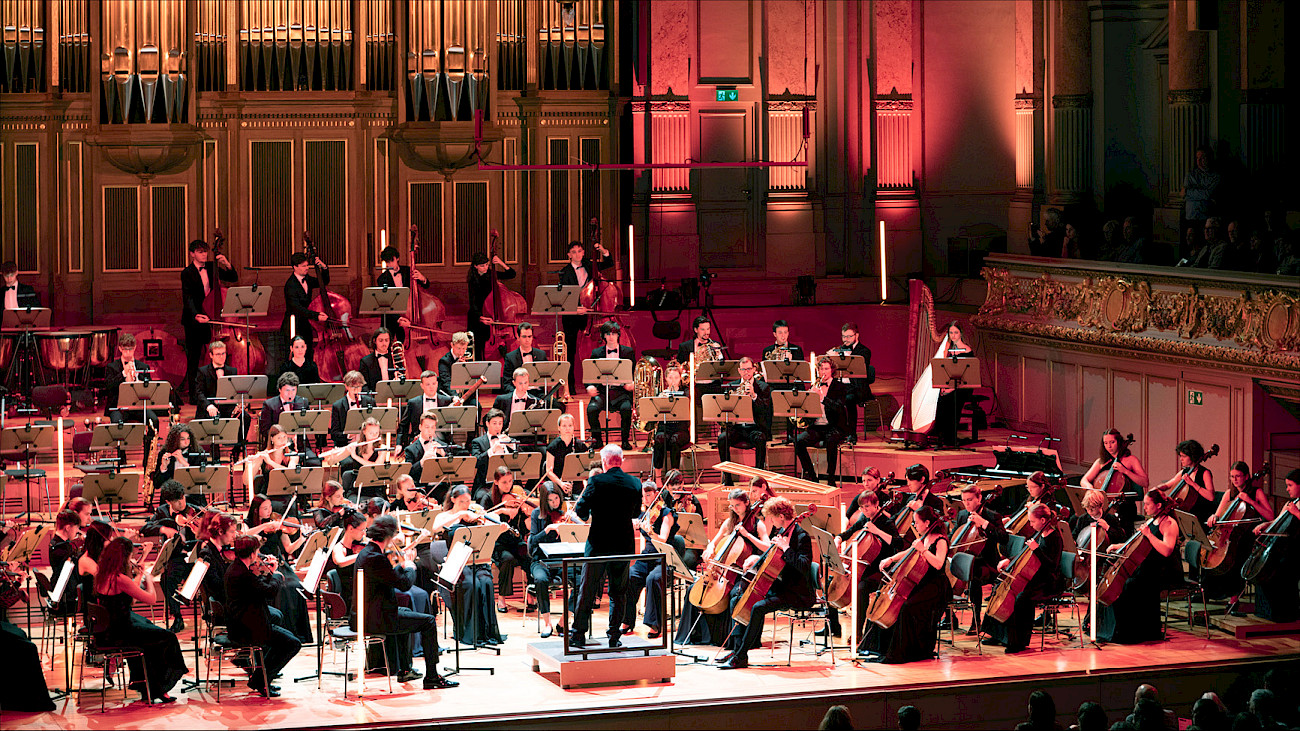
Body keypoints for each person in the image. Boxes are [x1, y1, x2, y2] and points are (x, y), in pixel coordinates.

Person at [354, 514, 456, 689]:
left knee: (407, 612)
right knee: (429, 622)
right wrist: (409, 566)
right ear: (389, 536)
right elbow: (403, 585)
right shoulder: (376, 557)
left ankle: (405, 669)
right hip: (375, 619)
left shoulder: (368, 552)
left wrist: (399, 567)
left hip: (370, 613)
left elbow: (388, 577)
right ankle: (432, 676)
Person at [718, 496, 815, 669]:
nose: (770, 521)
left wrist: (786, 548)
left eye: (771, 517)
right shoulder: (783, 533)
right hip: (781, 586)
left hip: (797, 593)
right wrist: (757, 558)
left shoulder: (801, 536)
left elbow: (804, 566)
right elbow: (773, 559)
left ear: (781, 516)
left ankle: (741, 656)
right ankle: (737, 649)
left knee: (757, 607)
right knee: (737, 599)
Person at [90, 536, 188, 703]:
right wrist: (148, 578)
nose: (131, 559)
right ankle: (159, 687)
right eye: (130, 556)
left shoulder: (103, 573)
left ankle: (148, 686)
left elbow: (130, 598)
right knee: (167, 637)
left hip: (111, 626)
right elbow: (151, 599)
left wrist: (137, 575)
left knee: (149, 627)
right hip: (121, 630)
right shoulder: (120, 579)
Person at [569, 443, 643, 648]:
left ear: (604, 461)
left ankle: (578, 635)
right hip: (623, 544)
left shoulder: (595, 481)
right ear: (621, 460)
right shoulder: (635, 483)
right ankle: (613, 637)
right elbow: (636, 513)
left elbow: (582, 514)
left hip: (598, 544)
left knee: (587, 590)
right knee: (618, 593)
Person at [862, 506, 949, 664]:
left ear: (927, 522)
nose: (914, 525)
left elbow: (938, 564)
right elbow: (908, 552)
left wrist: (923, 550)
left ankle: (907, 651)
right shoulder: (923, 537)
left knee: (906, 607)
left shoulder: (940, 540)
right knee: (886, 602)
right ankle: (879, 647)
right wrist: (891, 559)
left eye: (916, 522)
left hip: (935, 586)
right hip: (921, 582)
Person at [224, 535, 302, 697]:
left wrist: (267, 574)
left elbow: (259, 588)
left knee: (288, 640)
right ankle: (261, 680)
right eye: (257, 551)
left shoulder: (238, 568)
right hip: (248, 628)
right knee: (292, 644)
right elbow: (269, 592)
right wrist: (276, 575)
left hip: (248, 622)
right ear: (252, 554)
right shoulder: (242, 574)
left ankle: (261, 679)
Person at [981, 504, 1064, 654]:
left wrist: (1037, 550)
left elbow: (1053, 566)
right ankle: (997, 635)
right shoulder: (1038, 534)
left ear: (1043, 520)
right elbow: (1026, 554)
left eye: (1032, 521)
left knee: (1021, 599)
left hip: (1049, 582)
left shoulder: (1055, 538)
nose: (1030, 525)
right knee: (999, 586)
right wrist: (1009, 561)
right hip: (1034, 577)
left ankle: (1018, 642)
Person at [430, 485, 507, 646]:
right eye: (462, 501)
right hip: (457, 563)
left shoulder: (475, 512)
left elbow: (486, 535)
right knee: (472, 585)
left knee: (485, 582)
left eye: (468, 501)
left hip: (476, 561)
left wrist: (498, 529)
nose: (466, 504)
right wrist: (459, 514)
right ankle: (468, 632)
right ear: (453, 500)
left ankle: (486, 632)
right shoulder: (445, 516)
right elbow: (435, 528)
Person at [1103, 490, 1181, 644]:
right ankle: (1116, 630)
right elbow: (1138, 544)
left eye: (1147, 504)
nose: (1144, 507)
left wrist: (1149, 534)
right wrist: (1118, 546)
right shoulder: (1153, 521)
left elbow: (1167, 550)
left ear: (1158, 505)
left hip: (1164, 571)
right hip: (1149, 567)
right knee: (1122, 582)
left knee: (1129, 585)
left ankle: (1134, 633)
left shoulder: (1169, 523)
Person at [837, 490, 902, 652]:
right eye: (862, 508)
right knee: (841, 583)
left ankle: (859, 633)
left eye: (867, 507)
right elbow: (850, 532)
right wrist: (839, 537)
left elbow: (898, 543)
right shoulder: (864, 518)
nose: (864, 510)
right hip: (866, 565)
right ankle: (835, 626)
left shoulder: (886, 522)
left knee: (861, 590)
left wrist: (876, 531)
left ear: (876, 505)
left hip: (881, 568)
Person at [243, 495, 311, 642]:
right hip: (260, 567)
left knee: (295, 586)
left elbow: (289, 548)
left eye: (270, 508)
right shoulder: (247, 524)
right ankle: (279, 631)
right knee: (282, 589)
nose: (269, 511)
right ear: (256, 510)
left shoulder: (276, 526)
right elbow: (245, 536)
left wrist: (302, 538)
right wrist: (264, 526)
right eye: (265, 508)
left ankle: (296, 633)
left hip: (279, 565)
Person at [1204, 461, 1272, 604]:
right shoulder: (1230, 493)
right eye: (1232, 476)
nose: (1234, 480)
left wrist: (1251, 502)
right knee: (1212, 551)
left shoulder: (1256, 492)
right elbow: (1218, 514)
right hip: (1230, 534)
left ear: (1246, 476)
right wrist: (1213, 517)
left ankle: (1235, 596)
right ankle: (1212, 592)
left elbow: (1270, 516)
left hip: (1249, 534)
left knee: (1239, 552)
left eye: (1238, 476)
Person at [180, 238, 238, 405]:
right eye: (200, 252)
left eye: (205, 251)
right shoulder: (187, 273)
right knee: (195, 358)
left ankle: (223, 392)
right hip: (195, 321)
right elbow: (188, 297)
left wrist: (226, 263)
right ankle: (194, 395)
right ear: (192, 254)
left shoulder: (212, 267)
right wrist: (196, 314)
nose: (204, 254)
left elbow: (233, 277)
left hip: (213, 317)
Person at [625, 484, 682, 638]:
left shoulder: (666, 514)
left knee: (653, 579)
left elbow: (663, 540)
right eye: (643, 496)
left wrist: (650, 531)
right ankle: (627, 620)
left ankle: (654, 624)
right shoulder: (646, 513)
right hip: (648, 556)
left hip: (664, 558)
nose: (645, 499)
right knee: (630, 576)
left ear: (657, 494)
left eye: (648, 496)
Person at [529, 481, 583, 638]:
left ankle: (563, 621)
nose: (554, 504)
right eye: (551, 500)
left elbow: (583, 531)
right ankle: (547, 623)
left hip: (562, 559)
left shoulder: (565, 514)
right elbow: (532, 543)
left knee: (581, 581)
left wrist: (575, 521)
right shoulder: (537, 515)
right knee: (540, 579)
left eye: (557, 499)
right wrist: (546, 530)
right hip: (541, 560)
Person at [954, 483, 1008, 634]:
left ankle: (976, 620)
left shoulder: (992, 516)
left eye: (970, 499)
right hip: (966, 559)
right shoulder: (962, 515)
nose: (966, 503)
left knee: (974, 577)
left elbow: (1004, 538)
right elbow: (954, 538)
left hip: (988, 563)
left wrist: (984, 524)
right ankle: (950, 617)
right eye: (964, 500)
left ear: (979, 498)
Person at [557, 239, 614, 383]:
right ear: (569, 255)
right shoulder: (564, 272)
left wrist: (602, 250)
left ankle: (600, 379)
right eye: (574, 252)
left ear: (583, 253)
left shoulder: (589, 264)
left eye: (580, 251)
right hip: (572, 315)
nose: (577, 254)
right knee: (570, 349)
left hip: (590, 313)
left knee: (597, 344)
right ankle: (570, 385)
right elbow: (563, 296)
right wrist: (574, 308)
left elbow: (608, 264)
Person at [1249, 469, 1300, 623]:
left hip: (1297, 550)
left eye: (1290, 485)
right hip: (1286, 549)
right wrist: (1266, 524)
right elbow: (1277, 521)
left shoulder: (1295, 506)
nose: (1287, 489)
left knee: (1277, 571)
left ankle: (1285, 613)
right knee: (1265, 569)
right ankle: (1266, 612)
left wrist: (1297, 513)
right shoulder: (1291, 503)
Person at [716, 357, 774, 486]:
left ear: (754, 369)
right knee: (722, 438)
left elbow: (766, 410)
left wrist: (754, 396)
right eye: (743, 369)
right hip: (737, 429)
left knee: (760, 438)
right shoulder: (732, 386)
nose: (746, 372)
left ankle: (758, 479)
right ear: (739, 371)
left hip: (755, 428)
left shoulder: (763, 387)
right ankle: (728, 478)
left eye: (749, 369)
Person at [481, 468, 531, 613]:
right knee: (507, 559)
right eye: (504, 482)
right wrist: (502, 510)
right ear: (496, 482)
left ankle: (531, 595)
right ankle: (502, 599)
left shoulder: (516, 496)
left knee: (529, 555)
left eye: (510, 481)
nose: (508, 485)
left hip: (515, 539)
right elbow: (483, 517)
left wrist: (526, 511)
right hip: (497, 543)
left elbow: (524, 523)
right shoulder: (488, 498)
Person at [794, 356, 848, 484]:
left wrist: (822, 398)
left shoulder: (840, 387)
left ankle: (831, 478)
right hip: (817, 426)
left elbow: (839, 408)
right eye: (821, 369)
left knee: (831, 440)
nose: (823, 372)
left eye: (826, 369)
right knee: (798, 441)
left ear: (832, 370)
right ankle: (812, 476)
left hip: (834, 426)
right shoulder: (815, 386)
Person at [585, 321, 636, 450]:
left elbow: (635, 373)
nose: (611, 336)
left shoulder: (628, 352)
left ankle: (625, 440)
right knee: (591, 409)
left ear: (618, 334)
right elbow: (589, 374)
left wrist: (632, 384)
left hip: (621, 393)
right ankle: (597, 440)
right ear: (604, 336)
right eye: (608, 334)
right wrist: (589, 386)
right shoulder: (596, 353)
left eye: (614, 333)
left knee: (626, 409)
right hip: (602, 392)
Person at [193, 339, 249, 456]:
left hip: (227, 408)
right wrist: (209, 406)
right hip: (209, 408)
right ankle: (215, 457)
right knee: (213, 419)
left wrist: (239, 403)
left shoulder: (232, 371)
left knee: (246, 417)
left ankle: (236, 450)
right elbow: (199, 393)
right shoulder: (202, 371)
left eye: (223, 353)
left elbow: (236, 391)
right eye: (218, 354)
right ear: (211, 355)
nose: (221, 357)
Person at [1081, 429, 1149, 524]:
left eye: (1112, 442)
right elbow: (1084, 480)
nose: (1109, 446)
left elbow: (1145, 482)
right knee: (1078, 520)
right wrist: (1092, 489)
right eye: (1106, 443)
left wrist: (1125, 471)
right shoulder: (1101, 462)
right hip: (1102, 506)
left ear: (1119, 442)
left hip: (1124, 507)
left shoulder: (1131, 460)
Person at [930, 321, 975, 446]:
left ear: (961, 333)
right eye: (951, 333)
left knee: (951, 398)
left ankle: (950, 437)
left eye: (956, 332)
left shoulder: (967, 350)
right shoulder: (948, 350)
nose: (953, 335)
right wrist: (945, 387)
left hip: (963, 386)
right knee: (940, 397)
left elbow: (965, 376)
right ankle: (940, 435)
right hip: (951, 385)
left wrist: (950, 389)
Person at [376, 244, 431, 345]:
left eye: (391, 261)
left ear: (397, 258)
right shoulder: (382, 279)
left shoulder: (408, 271)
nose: (389, 265)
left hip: (410, 315)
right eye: (387, 262)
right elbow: (385, 304)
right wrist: (398, 318)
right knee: (388, 346)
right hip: (392, 318)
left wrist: (422, 278)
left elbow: (426, 286)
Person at [466, 250, 516, 361]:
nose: (486, 268)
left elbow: (511, 274)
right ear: (475, 266)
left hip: (492, 316)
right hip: (478, 317)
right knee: (478, 347)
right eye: (482, 266)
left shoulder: (491, 274)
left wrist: (500, 263)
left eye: (487, 265)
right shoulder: (473, 281)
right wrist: (480, 318)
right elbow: (473, 303)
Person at [762, 320, 806, 445]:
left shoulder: (797, 350)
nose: (783, 335)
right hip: (775, 384)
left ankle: (791, 434)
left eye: (785, 332)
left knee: (793, 395)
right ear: (774, 334)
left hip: (792, 383)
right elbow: (765, 371)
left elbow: (800, 370)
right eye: (780, 333)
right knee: (767, 397)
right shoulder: (767, 351)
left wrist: (791, 361)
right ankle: (767, 432)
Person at [103, 333, 160, 428]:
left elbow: (150, 389)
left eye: (131, 349)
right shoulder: (112, 367)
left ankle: (149, 443)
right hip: (118, 408)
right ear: (120, 348)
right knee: (117, 424)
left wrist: (139, 383)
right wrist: (123, 374)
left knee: (153, 420)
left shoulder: (144, 367)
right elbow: (109, 387)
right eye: (125, 349)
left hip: (139, 407)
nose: (128, 353)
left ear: (135, 348)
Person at [829, 322, 873, 444]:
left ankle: (851, 433)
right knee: (828, 397)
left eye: (849, 336)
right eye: (844, 336)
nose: (846, 339)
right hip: (842, 386)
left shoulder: (864, 351)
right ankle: (837, 431)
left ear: (856, 336)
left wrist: (845, 355)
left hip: (857, 387)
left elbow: (860, 368)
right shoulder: (839, 349)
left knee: (848, 399)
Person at [1154, 439, 1217, 524]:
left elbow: (1211, 497)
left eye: (1183, 456)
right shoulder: (1184, 472)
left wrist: (1192, 483)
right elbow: (1167, 485)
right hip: (1185, 514)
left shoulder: (1205, 473)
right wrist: (1157, 488)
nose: (1181, 459)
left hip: (1199, 515)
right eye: (1180, 456)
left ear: (1192, 456)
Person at [282, 251, 330, 359]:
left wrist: (324, 268)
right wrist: (316, 315)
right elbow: (296, 308)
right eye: (303, 266)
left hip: (306, 323)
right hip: (294, 324)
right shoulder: (290, 285)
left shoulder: (307, 279)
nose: (307, 268)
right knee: (296, 356)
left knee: (307, 354)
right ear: (295, 267)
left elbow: (323, 282)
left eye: (307, 265)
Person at [650, 362, 689, 482]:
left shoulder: (686, 392)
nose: (673, 380)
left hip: (680, 429)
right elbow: (654, 415)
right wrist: (660, 401)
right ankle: (657, 478)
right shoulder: (661, 393)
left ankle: (674, 477)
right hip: (664, 428)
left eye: (676, 378)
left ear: (680, 378)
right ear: (666, 379)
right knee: (659, 439)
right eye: (670, 377)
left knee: (674, 441)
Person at [401, 369, 456, 447]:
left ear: (437, 384)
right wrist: (399, 444)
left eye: (433, 384)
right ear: (422, 386)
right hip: (419, 442)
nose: (431, 387)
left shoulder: (447, 401)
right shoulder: (413, 403)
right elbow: (404, 425)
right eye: (427, 384)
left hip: (442, 441)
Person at [257, 372, 308, 450]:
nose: (290, 394)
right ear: (280, 389)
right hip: (276, 446)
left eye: (293, 390)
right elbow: (264, 430)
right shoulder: (269, 404)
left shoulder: (303, 402)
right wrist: (284, 436)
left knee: (314, 462)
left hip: (299, 445)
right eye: (287, 390)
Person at [328, 370, 377, 448]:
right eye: (352, 387)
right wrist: (348, 435)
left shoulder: (370, 402)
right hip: (347, 446)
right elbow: (334, 434)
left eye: (358, 387)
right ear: (346, 386)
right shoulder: (338, 406)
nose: (356, 390)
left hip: (368, 445)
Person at [544, 413, 588, 496]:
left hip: (576, 485)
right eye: (564, 426)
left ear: (574, 427)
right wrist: (561, 484)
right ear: (559, 428)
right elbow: (549, 471)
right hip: (558, 484)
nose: (567, 428)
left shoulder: (580, 445)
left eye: (570, 425)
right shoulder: (553, 446)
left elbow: (586, 468)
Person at [1182, 145, 1220, 234]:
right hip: (1191, 216)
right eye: (1197, 158)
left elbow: (1208, 194)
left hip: (1206, 217)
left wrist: (1189, 192)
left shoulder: (1215, 176)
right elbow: (1184, 195)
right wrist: (1202, 192)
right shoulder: (1190, 175)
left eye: (1202, 158)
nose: (1198, 161)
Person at [501, 322, 547, 394]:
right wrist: (516, 393)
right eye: (524, 336)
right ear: (518, 337)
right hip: (518, 393)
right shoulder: (510, 357)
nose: (527, 340)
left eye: (529, 336)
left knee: (558, 405)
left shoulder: (541, 355)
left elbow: (547, 379)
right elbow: (506, 383)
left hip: (538, 393)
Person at [437, 331, 473, 397]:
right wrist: (456, 397)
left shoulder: (468, 358)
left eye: (464, 348)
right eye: (458, 348)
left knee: (477, 405)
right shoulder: (444, 361)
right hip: (449, 394)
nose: (461, 352)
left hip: (464, 393)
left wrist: (465, 368)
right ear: (452, 345)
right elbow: (446, 382)